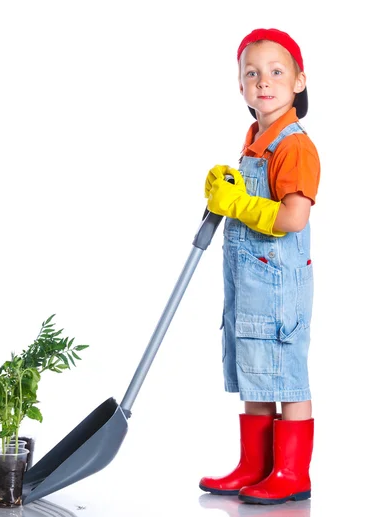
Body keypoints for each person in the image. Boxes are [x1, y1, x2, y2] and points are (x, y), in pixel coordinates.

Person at [199, 28, 320, 505]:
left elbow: (293, 217)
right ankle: (255, 465)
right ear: (240, 85)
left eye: (276, 71)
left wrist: (239, 204)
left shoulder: (293, 146)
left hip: (277, 285)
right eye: (252, 73)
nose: (263, 82)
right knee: (254, 369)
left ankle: (292, 473)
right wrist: (227, 189)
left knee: (285, 374)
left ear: (298, 81)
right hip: (249, 285)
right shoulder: (255, 139)